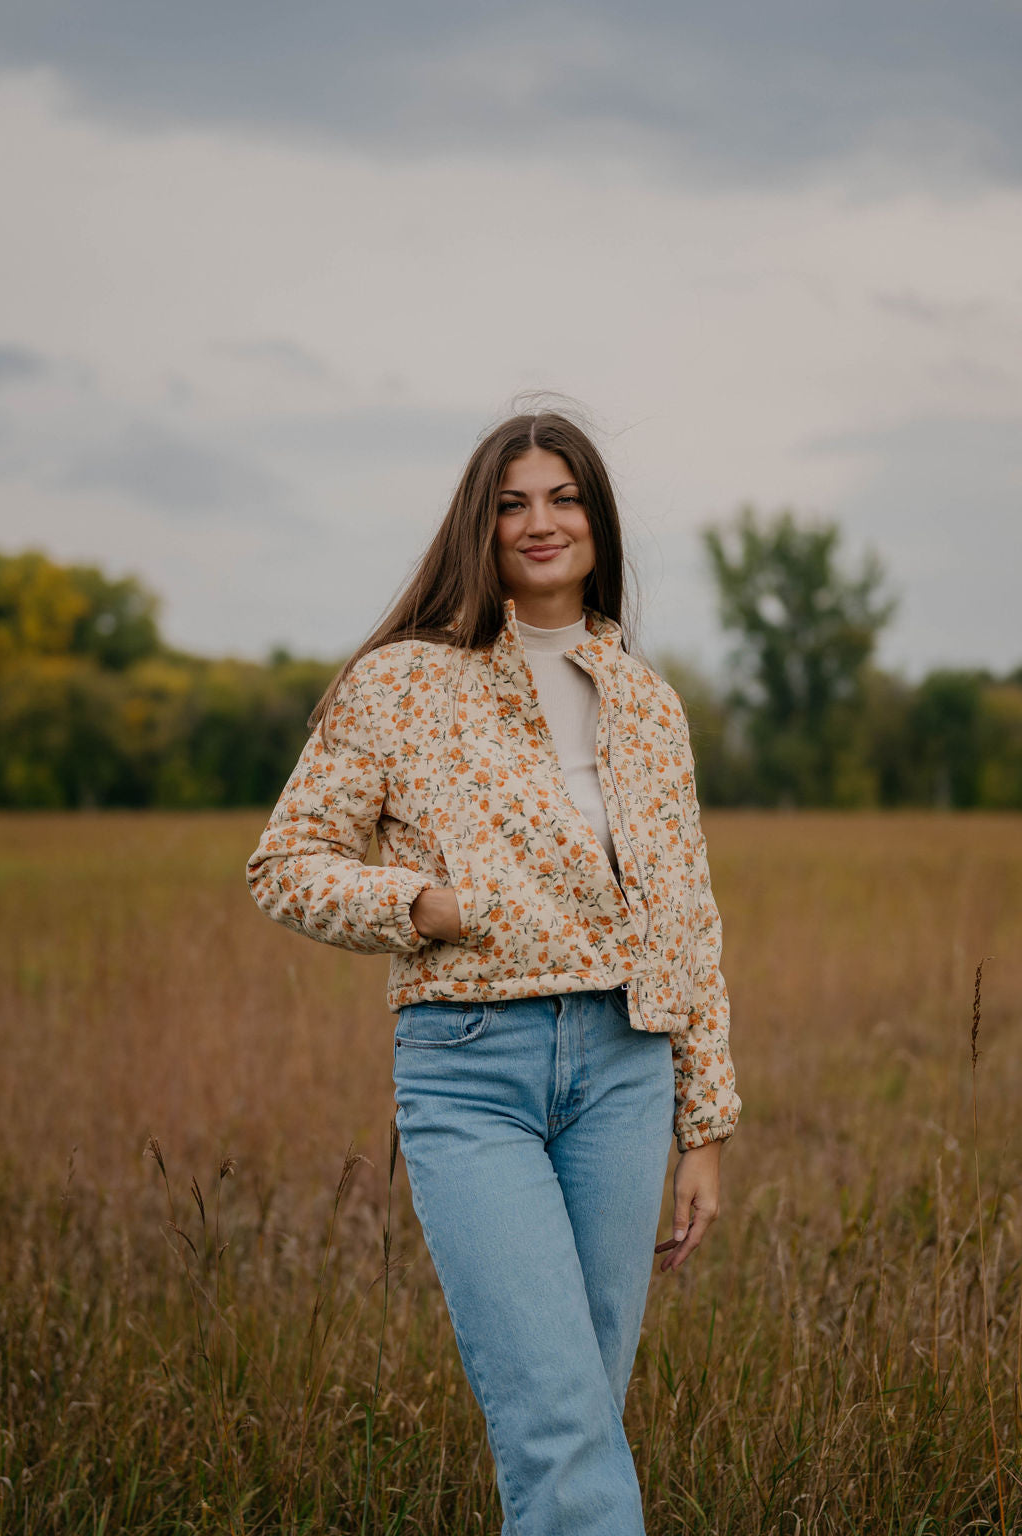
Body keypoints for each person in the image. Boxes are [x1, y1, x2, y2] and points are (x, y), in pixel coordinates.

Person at [246, 410, 740, 1536]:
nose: (539, 521)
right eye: (512, 501)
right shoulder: (399, 683)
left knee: (583, 1417)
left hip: (626, 1070)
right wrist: (422, 905)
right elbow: (284, 863)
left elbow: (686, 915)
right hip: (472, 1073)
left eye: (562, 497)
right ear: (481, 522)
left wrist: (702, 1125)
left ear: (597, 520)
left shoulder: (648, 704)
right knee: (560, 1430)